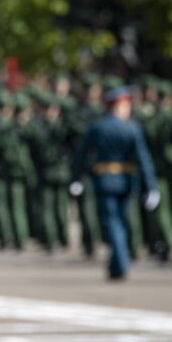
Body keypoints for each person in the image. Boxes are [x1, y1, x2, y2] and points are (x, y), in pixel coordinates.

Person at [70, 86, 159, 280]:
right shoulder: (131, 128)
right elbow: (143, 159)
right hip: (127, 180)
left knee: (112, 223)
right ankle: (116, 264)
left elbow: (82, 155)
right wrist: (151, 186)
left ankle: (120, 261)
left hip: (104, 180)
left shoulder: (98, 127)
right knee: (119, 222)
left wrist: (76, 178)